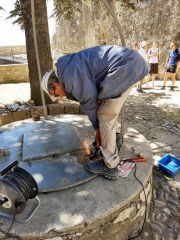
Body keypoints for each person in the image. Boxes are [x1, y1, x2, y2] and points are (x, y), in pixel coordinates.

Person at [41, 45, 149, 180]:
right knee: (108, 109)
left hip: (124, 67)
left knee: (105, 114)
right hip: (128, 64)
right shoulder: (67, 70)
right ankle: (114, 139)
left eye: (56, 94)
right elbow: (90, 98)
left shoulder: (70, 78)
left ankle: (110, 166)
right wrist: (99, 131)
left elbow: (90, 101)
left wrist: (98, 130)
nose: (59, 97)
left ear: (55, 85)